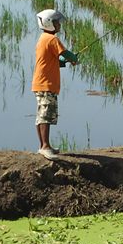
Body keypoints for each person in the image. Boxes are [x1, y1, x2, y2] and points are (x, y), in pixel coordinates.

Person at [31, 9, 78, 160]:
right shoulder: (53, 40)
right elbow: (65, 54)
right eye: (57, 22)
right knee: (45, 115)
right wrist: (72, 58)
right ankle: (45, 147)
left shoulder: (43, 38)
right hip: (46, 84)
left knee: (41, 115)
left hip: (40, 83)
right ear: (49, 23)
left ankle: (44, 145)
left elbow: (54, 60)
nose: (59, 25)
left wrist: (65, 61)